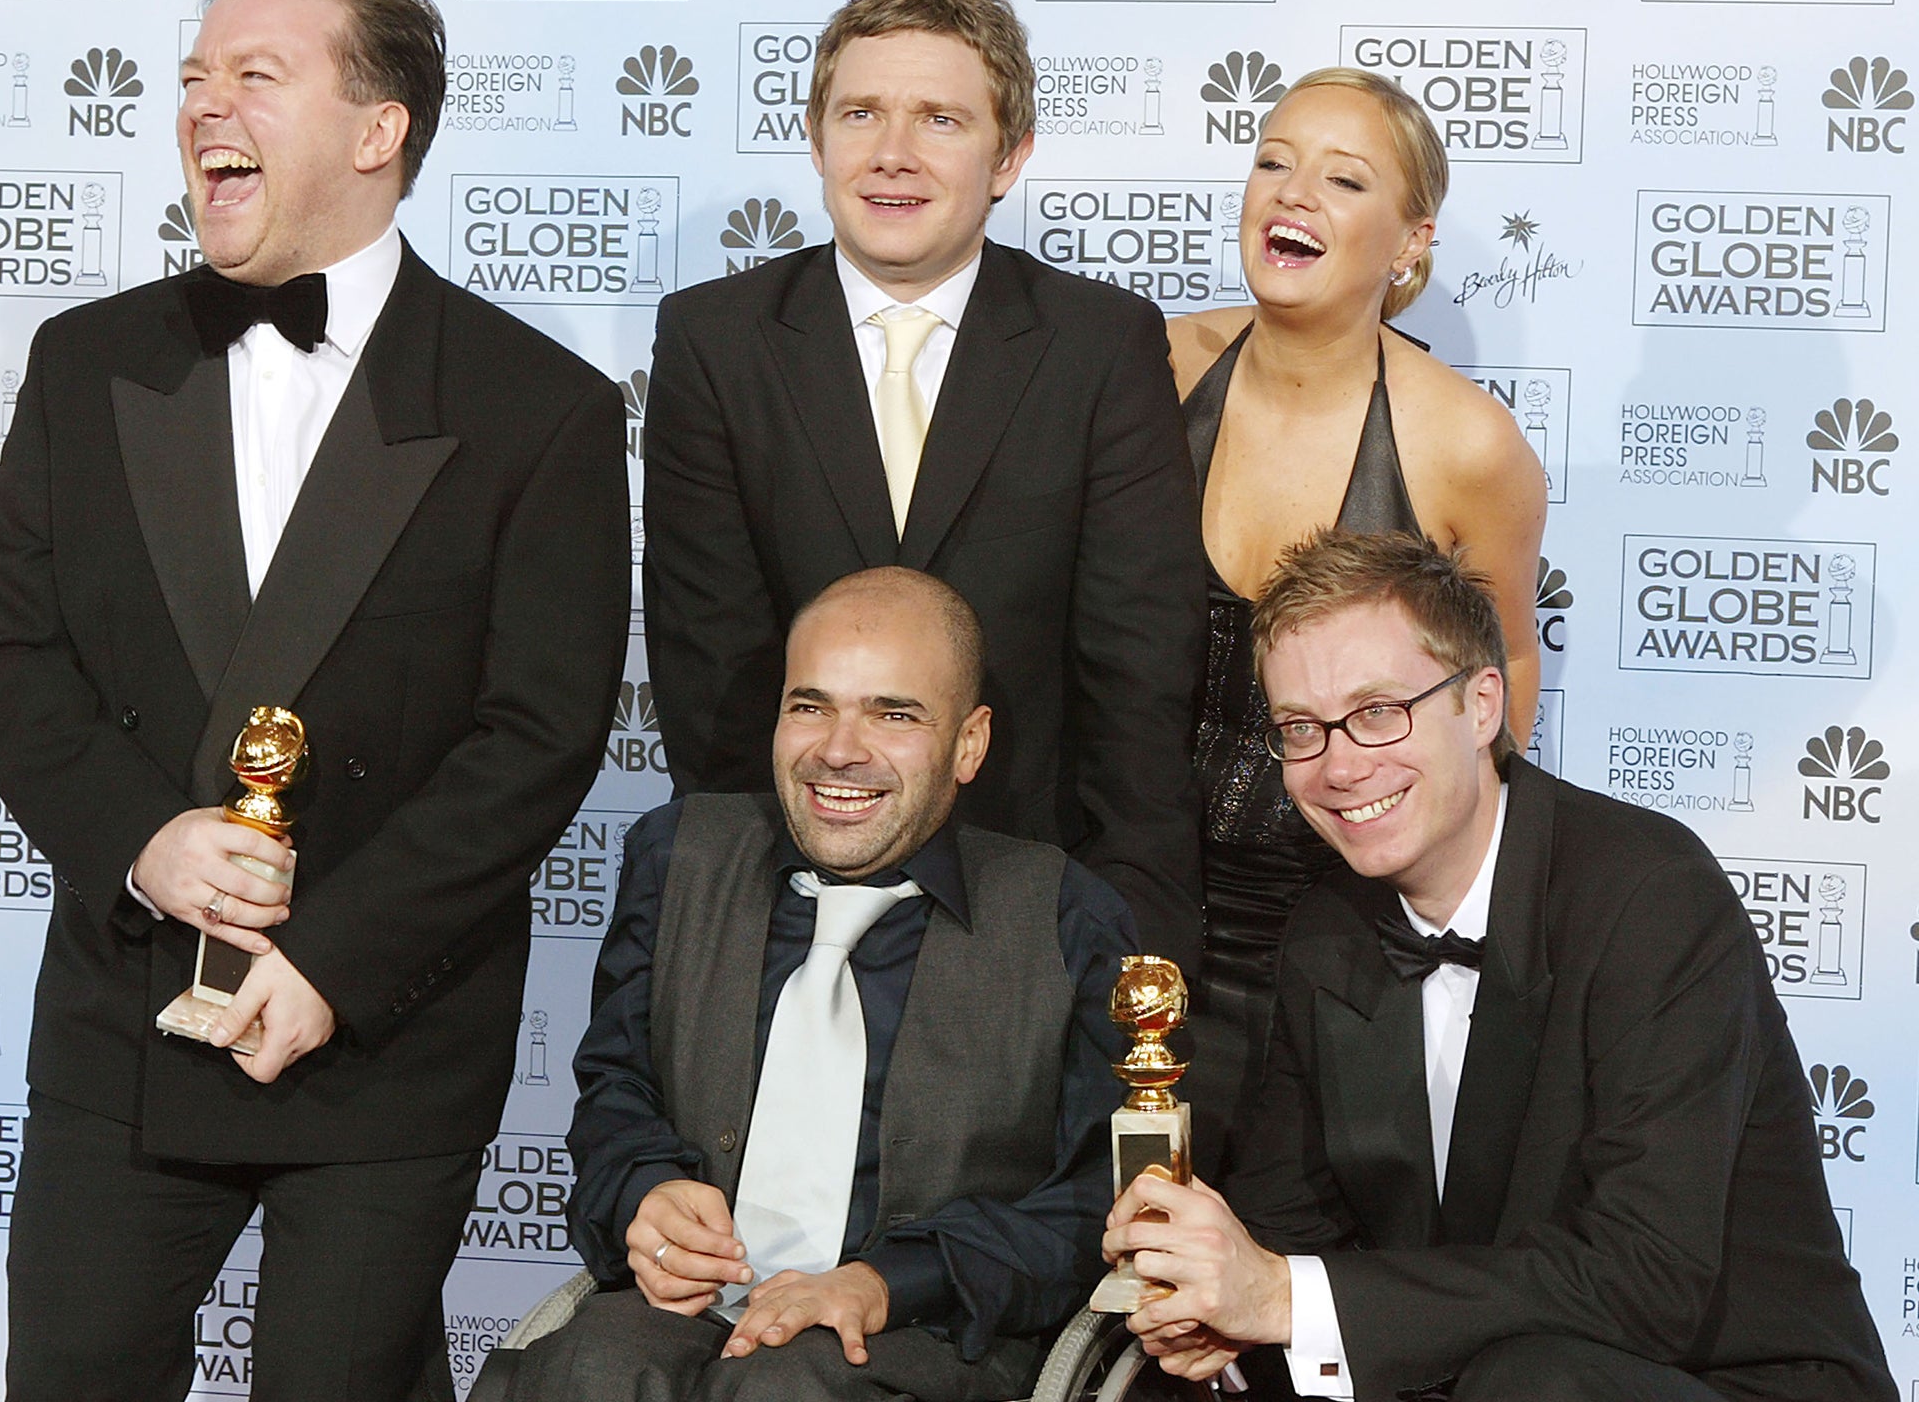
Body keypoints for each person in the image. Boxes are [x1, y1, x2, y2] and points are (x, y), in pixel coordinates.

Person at [0, 0, 629, 1401]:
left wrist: (334, 962)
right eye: (193, 80)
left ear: (378, 134)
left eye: (257, 76)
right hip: (123, 1024)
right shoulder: (88, 362)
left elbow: (539, 733)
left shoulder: (541, 409)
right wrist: (145, 837)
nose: (204, 109)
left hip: (380, 1033)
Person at [1103, 531, 1895, 1402]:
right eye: (1301, 729)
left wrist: (1288, 1296)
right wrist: (1209, 1286)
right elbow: (1292, 1215)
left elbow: (1649, 1281)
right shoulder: (1328, 927)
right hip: (1478, 1367)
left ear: (1483, 706)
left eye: (1377, 712)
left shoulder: (1651, 897)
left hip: (1727, 1379)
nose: (1338, 764)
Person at [642, 0, 1205, 972]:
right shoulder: (713, 342)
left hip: (1030, 901)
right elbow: (712, 679)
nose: (891, 154)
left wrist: (1135, 953)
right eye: (860, 113)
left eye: (940, 119)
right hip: (784, 900)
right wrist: (746, 932)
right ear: (815, 140)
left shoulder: (1099, 346)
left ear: (1009, 155)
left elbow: (1137, 680)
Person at [481, 568, 1134, 1402]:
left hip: (926, 1332)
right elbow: (615, 1092)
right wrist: (645, 1192)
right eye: (810, 705)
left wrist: (892, 1281)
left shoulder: (1066, 916)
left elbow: (1099, 1200)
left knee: (788, 1391)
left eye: (894, 714)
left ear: (969, 744)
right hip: (679, 1311)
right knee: (592, 1369)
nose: (838, 748)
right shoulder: (676, 857)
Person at [1166, 68, 1548, 1174]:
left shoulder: (1464, 446)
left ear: (1408, 244)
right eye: (1272, 161)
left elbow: (1502, 671)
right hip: (1136, 902)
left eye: (1343, 178)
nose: (1293, 194)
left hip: (1337, 917)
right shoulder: (1154, 367)